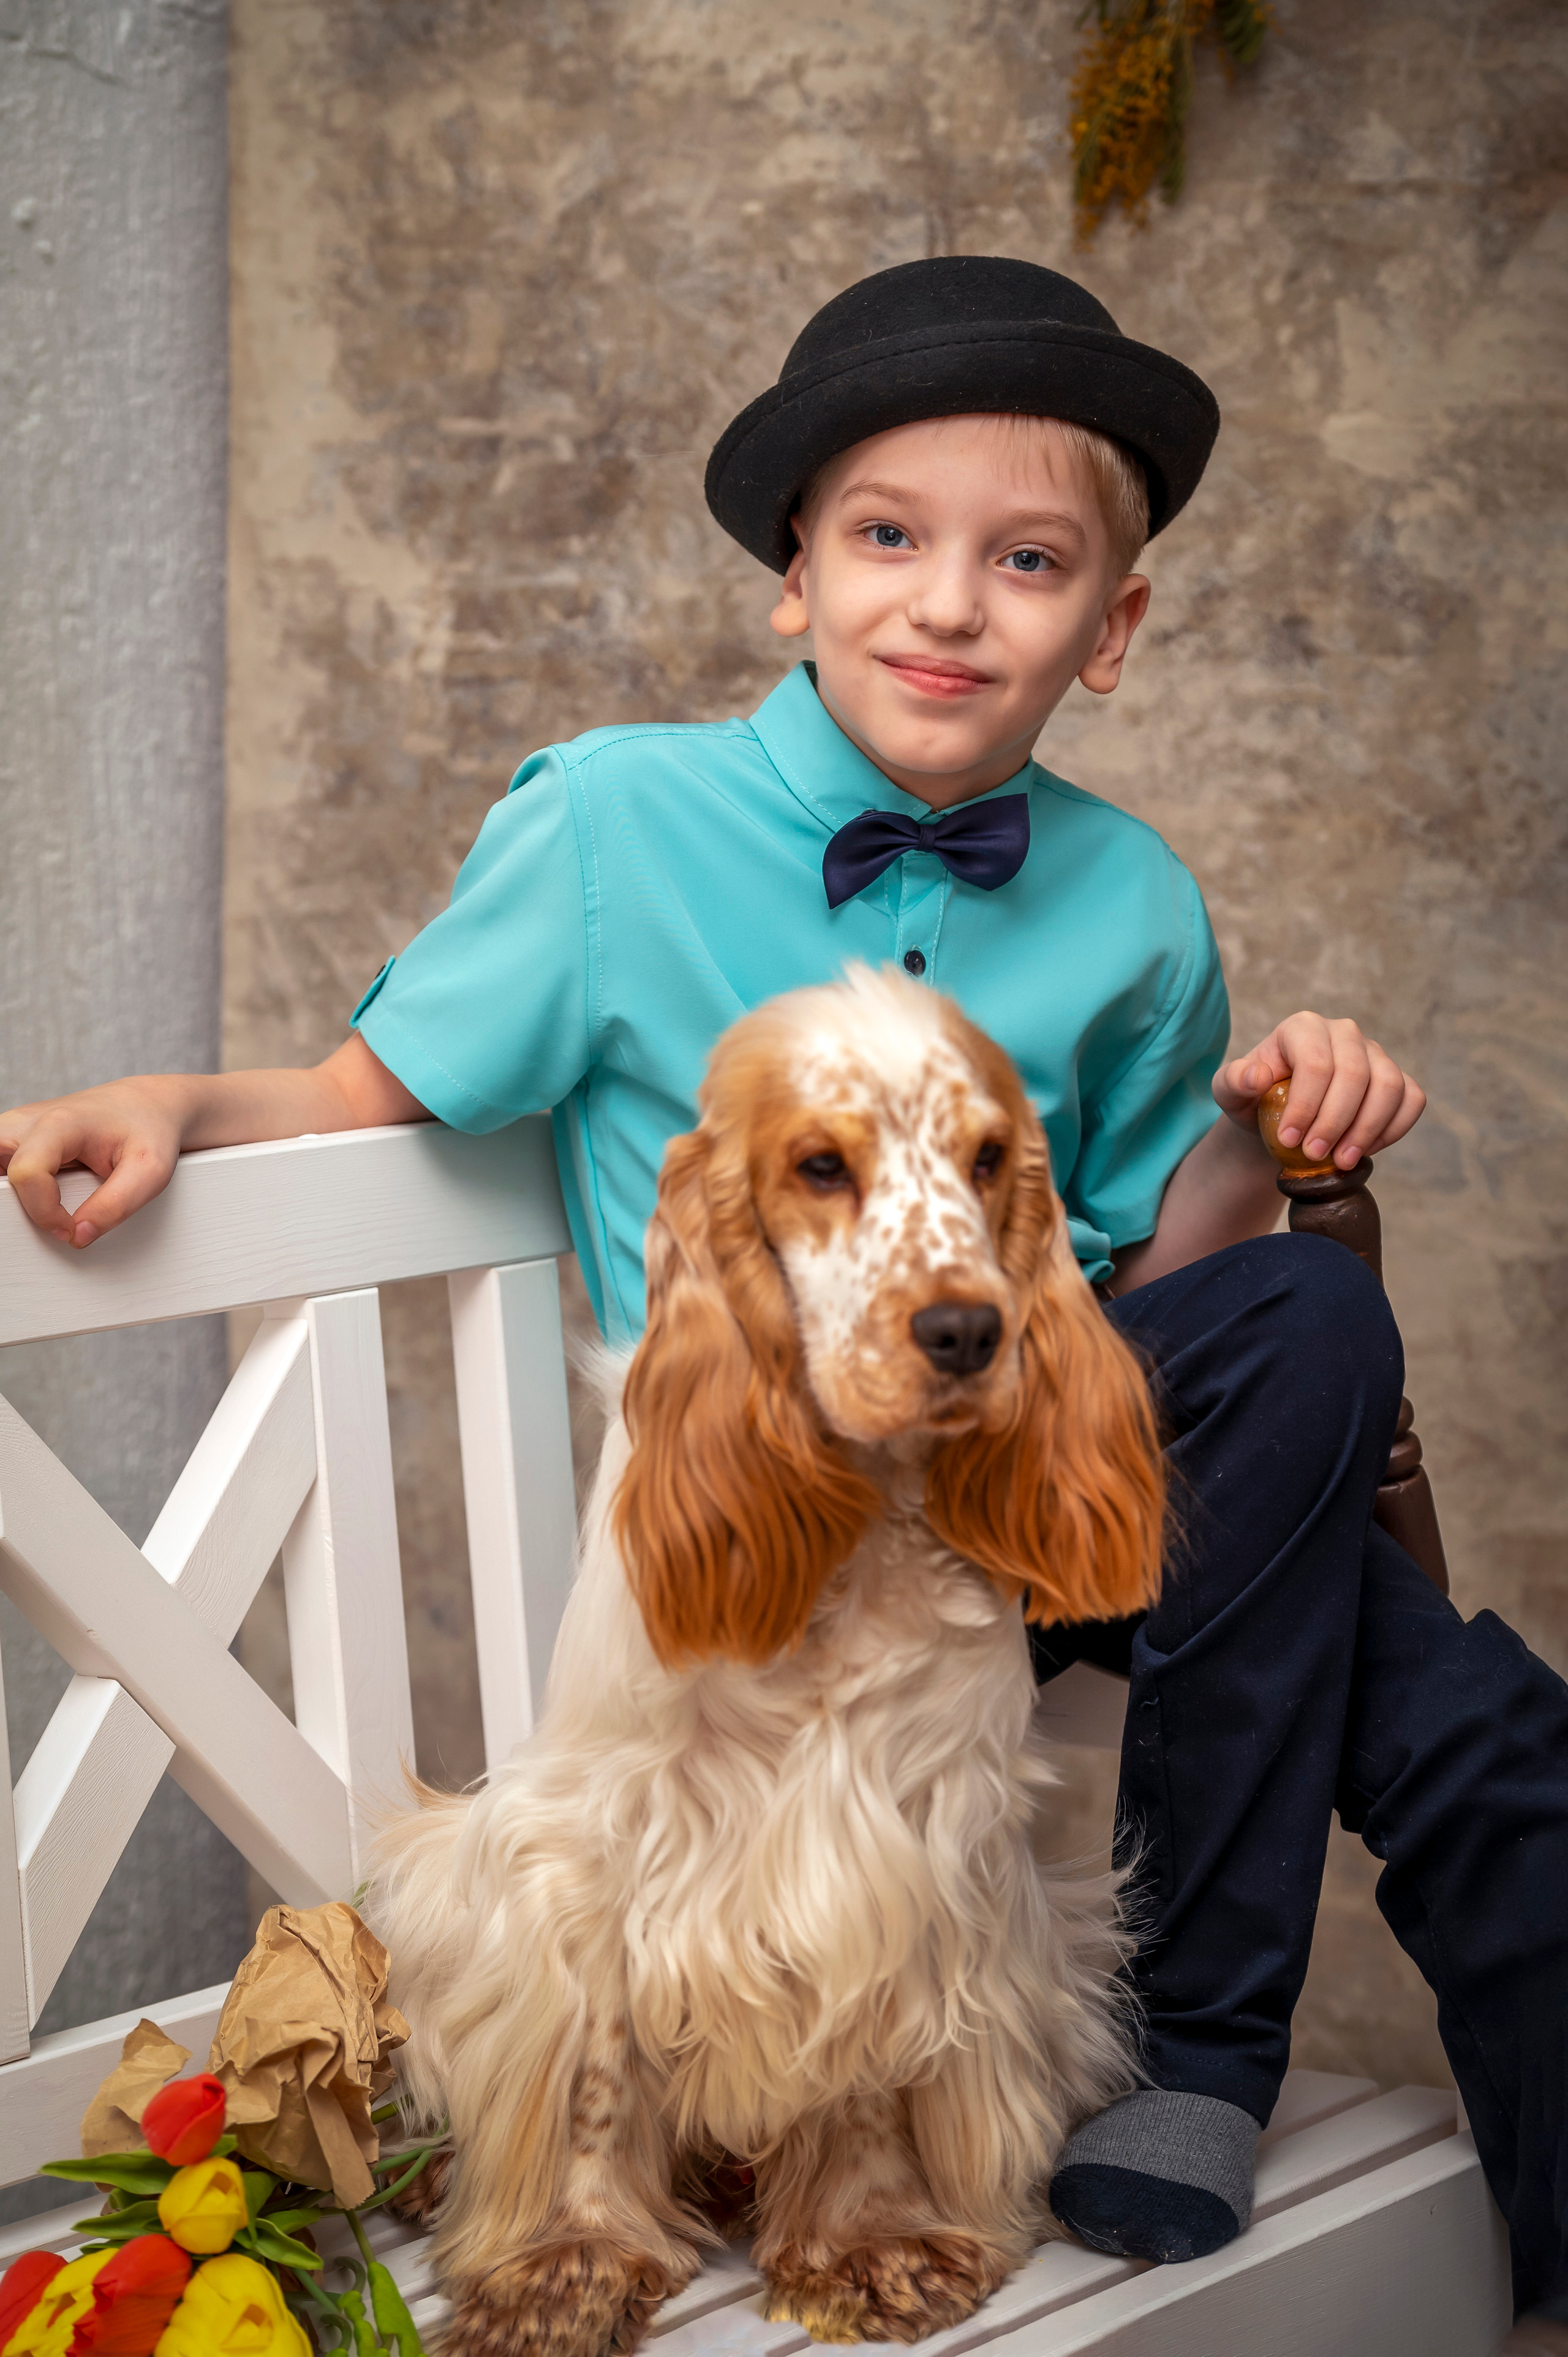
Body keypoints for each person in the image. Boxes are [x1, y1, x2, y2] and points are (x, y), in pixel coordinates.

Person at [2, 257, 1564, 2335]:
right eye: (890, 538)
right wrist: (179, 1106)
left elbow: (1157, 1310)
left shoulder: (1137, 901)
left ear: (1109, 632)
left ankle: (1242, 2082)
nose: (951, 605)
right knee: (1481, 1739)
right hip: (750, 1518)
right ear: (795, 578)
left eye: (1026, 562)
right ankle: (1206, 2066)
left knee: (1326, 1350)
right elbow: (358, 1095)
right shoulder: (608, 822)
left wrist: (1274, 1129)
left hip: (1014, 1516)